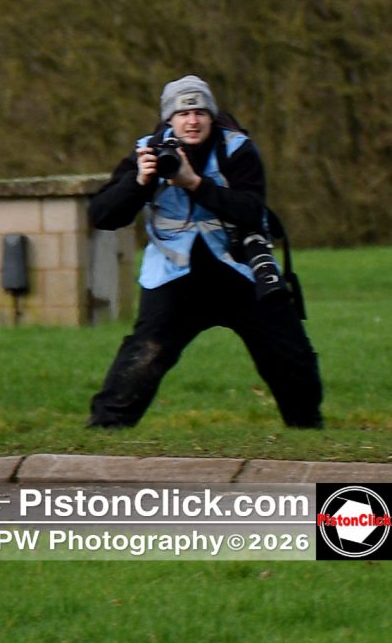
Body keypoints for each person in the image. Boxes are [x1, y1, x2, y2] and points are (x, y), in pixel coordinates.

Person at [87, 75, 323, 429]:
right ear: (170, 120)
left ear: (211, 116)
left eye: (199, 111)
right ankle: (105, 431)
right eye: (183, 114)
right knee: (145, 353)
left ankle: (307, 430)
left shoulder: (238, 150)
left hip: (240, 272)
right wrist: (138, 183)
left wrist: (194, 183)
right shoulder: (147, 151)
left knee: (289, 356)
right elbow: (102, 216)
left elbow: (250, 210)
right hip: (174, 274)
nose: (192, 120)